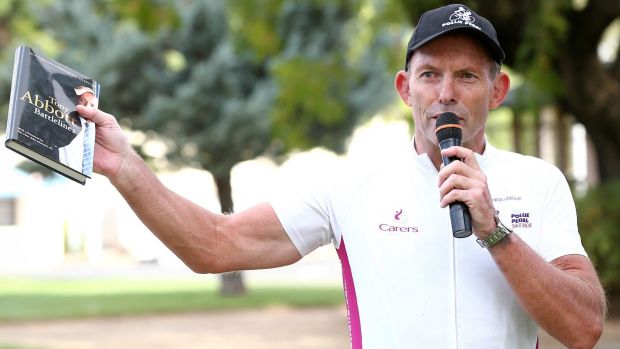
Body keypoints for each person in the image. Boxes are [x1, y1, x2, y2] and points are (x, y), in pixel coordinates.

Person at [77, 3, 606, 348]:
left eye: (467, 75)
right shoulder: (352, 183)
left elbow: (584, 328)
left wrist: (494, 231)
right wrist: (126, 167)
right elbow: (214, 245)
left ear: (497, 92)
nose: (446, 93)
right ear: (405, 89)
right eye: (430, 75)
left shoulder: (539, 182)